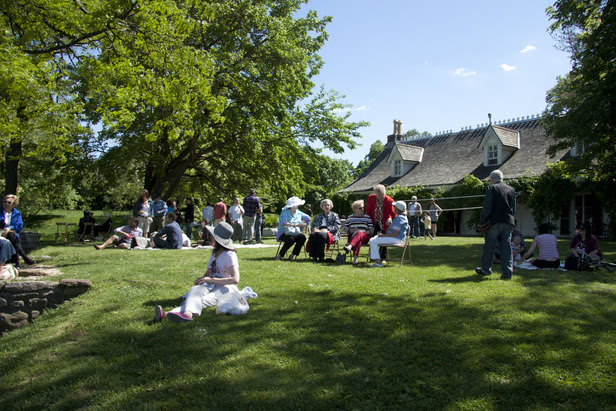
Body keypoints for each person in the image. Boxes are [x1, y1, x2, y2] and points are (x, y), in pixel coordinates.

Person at [154, 222, 239, 323]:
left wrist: (211, 279)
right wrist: (202, 279)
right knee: (194, 291)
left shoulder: (229, 255)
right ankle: (177, 315)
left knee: (203, 300)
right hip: (211, 284)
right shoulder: (215, 253)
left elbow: (235, 279)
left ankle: (174, 314)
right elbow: (209, 271)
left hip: (225, 288)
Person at [475, 170, 516, 280]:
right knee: (506, 248)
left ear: (492, 178)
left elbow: (487, 207)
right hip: (508, 221)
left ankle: (486, 269)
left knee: (489, 246)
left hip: (494, 221)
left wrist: (482, 220)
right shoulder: (511, 190)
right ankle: (507, 273)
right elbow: (514, 208)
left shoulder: (491, 188)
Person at [368, 201, 409, 268]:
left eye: (394, 207)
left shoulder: (399, 218)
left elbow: (395, 234)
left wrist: (383, 236)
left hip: (396, 239)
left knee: (372, 240)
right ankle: (377, 260)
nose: (393, 208)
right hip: (397, 238)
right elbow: (390, 231)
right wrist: (390, 225)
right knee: (374, 239)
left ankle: (378, 262)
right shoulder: (402, 217)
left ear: (398, 209)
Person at [1, 194, 36, 267]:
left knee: (11, 235)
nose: (6, 204)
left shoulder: (17, 213)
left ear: (13, 205)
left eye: (9, 202)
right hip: (0, 233)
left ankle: (18, 260)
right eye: (5, 202)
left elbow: (19, 226)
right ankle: (22, 258)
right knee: (12, 237)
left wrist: (10, 228)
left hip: (11, 234)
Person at [365, 184, 396, 260]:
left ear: (384, 193)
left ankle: (383, 258)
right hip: (374, 222)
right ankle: (372, 257)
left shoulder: (389, 200)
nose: (380, 198)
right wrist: (368, 222)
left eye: (381, 195)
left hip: (384, 223)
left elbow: (393, 213)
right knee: (372, 239)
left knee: (383, 238)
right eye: (378, 196)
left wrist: (390, 218)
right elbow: (368, 211)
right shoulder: (371, 198)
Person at [342, 199, 373, 265]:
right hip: (353, 236)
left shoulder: (367, 217)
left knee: (359, 233)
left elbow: (371, 229)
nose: (362, 209)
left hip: (364, 236)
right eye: (360, 208)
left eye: (363, 208)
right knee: (358, 241)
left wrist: (364, 232)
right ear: (355, 209)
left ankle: (350, 246)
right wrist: (352, 230)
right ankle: (355, 260)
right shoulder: (350, 217)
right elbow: (345, 228)